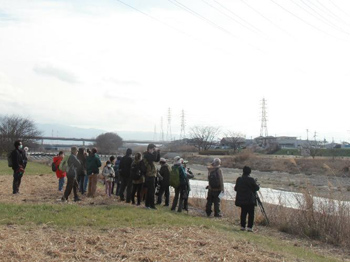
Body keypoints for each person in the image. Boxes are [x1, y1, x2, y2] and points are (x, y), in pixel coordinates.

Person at [234, 166, 260, 232]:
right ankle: (249, 227)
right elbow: (256, 188)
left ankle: (242, 226)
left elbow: (235, 189)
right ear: (249, 172)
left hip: (242, 199)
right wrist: (257, 184)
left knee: (243, 213)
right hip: (250, 200)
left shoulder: (239, 179)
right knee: (251, 214)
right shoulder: (251, 179)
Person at [142, 143, 160, 209]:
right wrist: (155, 151)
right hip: (149, 175)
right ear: (149, 149)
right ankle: (150, 205)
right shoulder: (146, 155)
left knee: (151, 190)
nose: (153, 150)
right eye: (153, 149)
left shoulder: (150, 155)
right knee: (151, 191)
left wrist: (158, 152)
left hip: (152, 175)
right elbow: (153, 158)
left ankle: (149, 205)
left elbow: (157, 159)